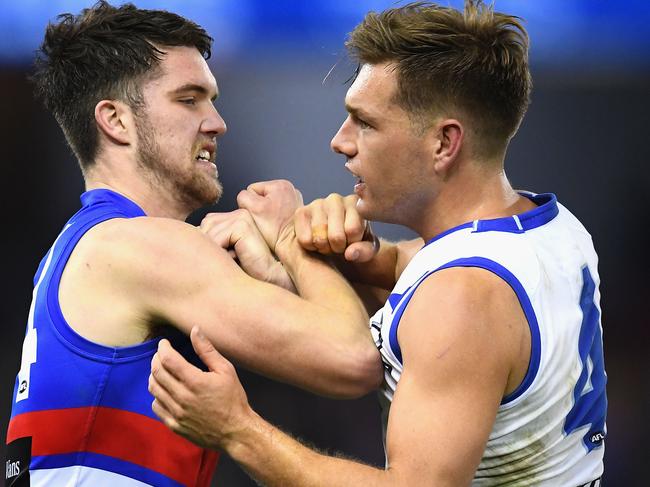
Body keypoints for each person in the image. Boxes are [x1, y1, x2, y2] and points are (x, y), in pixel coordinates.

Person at [148, 1, 608, 485]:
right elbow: (406, 274)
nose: (340, 141)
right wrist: (315, 258)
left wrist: (237, 429)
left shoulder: (463, 295)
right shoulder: (550, 225)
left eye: (365, 123)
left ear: (444, 143)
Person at [4, 2, 383, 486]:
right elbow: (350, 357)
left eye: (213, 99)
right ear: (115, 121)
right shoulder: (137, 246)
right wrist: (292, 234)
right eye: (189, 100)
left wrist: (277, 276)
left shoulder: (86, 247)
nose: (217, 122)